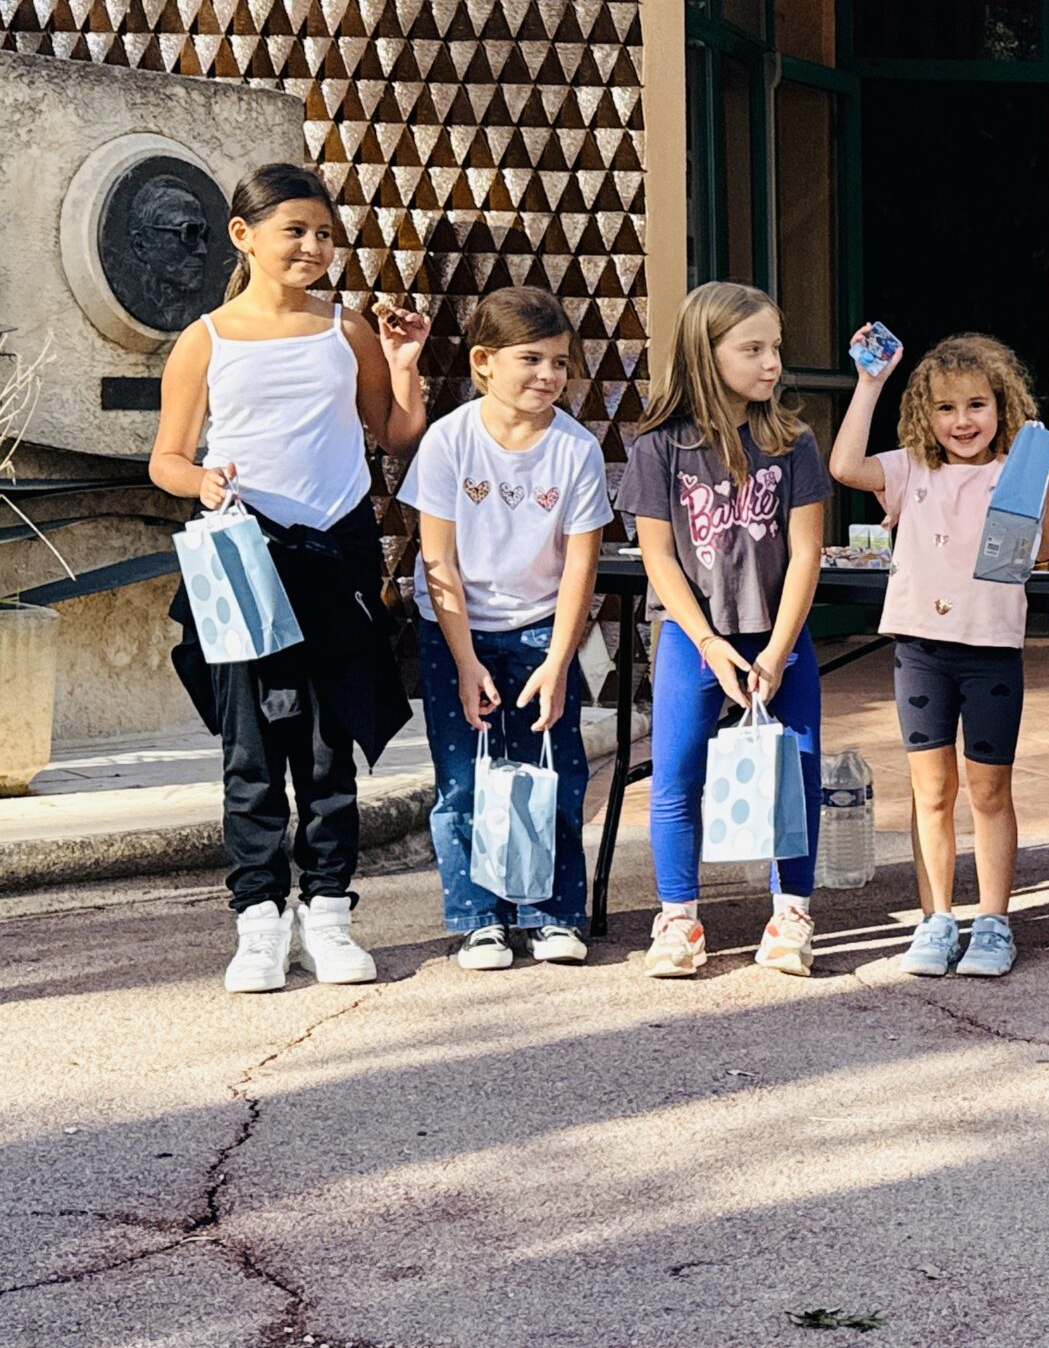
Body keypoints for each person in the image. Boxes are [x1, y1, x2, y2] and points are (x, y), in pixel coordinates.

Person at [148, 161, 427, 993]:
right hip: (246, 557)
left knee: (328, 744)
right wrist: (202, 481)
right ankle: (259, 922)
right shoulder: (206, 339)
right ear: (244, 235)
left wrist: (405, 360)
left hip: (337, 550)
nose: (312, 246)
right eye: (294, 230)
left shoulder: (348, 329)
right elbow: (166, 458)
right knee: (251, 750)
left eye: (324, 233)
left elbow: (395, 435)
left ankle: (330, 915)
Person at [829, 330, 1049, 979]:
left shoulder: (1019, 469)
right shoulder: (910, 469)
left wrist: (1035, 476)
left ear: (1002, 406)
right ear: (924, 415)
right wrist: (869, 383)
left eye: (977, 404)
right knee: (931, 791)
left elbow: (1042, 551)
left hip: (992, 652)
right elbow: (845, 467)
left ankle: (993, 921)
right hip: (922, 652)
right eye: (946, 407)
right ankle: (935, 920)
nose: (962, 421)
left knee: (989, 791)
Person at [619, 281, 831, 979]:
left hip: (778, 637)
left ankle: (791, 914)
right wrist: (710, 645)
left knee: (795, 771)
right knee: (676, 774)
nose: (772, 363)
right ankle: (679, 918)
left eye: (776, 347)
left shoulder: (794, 442)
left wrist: (776, 649)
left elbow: (806, 552)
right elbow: (658, 557)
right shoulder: (659, 446)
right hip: (693, 637)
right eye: (753, 349)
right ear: (705, 354)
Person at [401, 286, 613, 970]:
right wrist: (466, 661)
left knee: (554, 772)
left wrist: (560, 659)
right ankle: (479, 918)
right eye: (532, 359)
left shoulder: (576, 450)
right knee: (465, 779)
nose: (549, 376)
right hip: (455, 631)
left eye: (560, 362)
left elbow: (580, 564)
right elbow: (438, 559)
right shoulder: (448, 440)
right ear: (484, 361)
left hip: (540, 627)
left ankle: (552, 913)